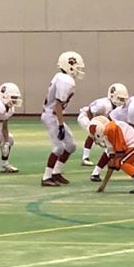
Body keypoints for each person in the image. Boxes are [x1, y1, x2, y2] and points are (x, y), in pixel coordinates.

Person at [40, 51, 85, 187]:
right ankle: (46, 177)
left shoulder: (61, 78)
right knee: (59, 147)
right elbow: (58, 105)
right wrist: (60, 125)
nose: (78, 70)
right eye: (76, 66)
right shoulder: (66, 81)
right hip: (51, 115)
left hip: (54, 114)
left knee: (70, 146)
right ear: (69, 65)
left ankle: (56, 172)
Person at [88, 116, 134, 194]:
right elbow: (112, 161)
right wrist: (103, 185)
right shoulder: (110, 128)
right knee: (125, 162)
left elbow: (119, 154)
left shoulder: (110, 129)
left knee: (122, 162)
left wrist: (103, 184)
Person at [77, 83, 129, 166]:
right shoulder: (103, 105)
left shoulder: (116, 107)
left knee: (105, 136)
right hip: (86, 116)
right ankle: (85, 157)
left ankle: (109, 155)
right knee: (94, 133)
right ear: (112, 96)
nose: (122, 102)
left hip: (100, 119)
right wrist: (92, 124)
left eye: (123, 99)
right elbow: (89, 111)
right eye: (120, 99)